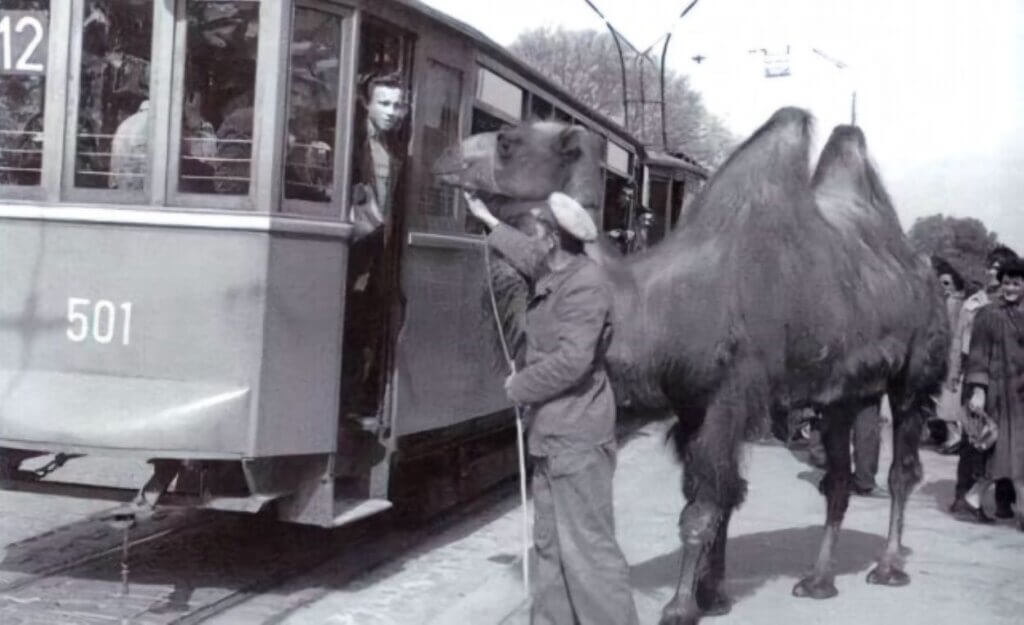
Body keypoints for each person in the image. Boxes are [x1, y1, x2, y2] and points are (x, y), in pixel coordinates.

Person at [465, 191, 639, 625]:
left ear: (555, 238)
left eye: (540, 230)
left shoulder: (586, 285)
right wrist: (487, 218)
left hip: (577, 440)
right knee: (551, 549)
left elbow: (573, 361)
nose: (535, 236)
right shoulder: (557, 269)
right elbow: (525, 254)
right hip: (552, 438)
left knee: (589, 556)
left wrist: (519, 386)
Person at [341, 71, 409, 417]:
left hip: (378, 254)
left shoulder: (396, 147)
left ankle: (353, 400)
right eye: (384, 103)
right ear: (367, 104)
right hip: (350, 251)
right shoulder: (350, 139)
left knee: (366, 328)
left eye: (399, 105)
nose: (392, 112)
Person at [949, 245, 1019, 522]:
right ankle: (966, 497)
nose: (1010, 288)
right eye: (1006, 282)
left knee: (1009, 448)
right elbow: (971, 350)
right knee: (981, 445)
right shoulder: (984, 310)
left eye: (1016, 283)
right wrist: (973, 387)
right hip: (988, 388)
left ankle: (1000, 502)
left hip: (1014, 391)